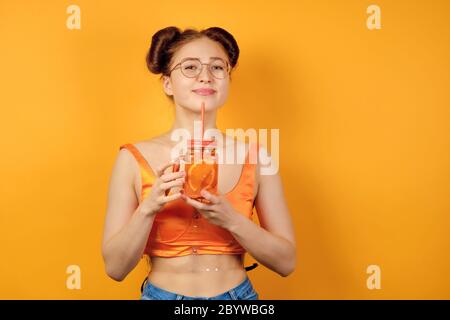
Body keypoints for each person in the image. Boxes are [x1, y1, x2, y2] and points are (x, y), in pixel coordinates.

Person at [101, 26, 296, 300]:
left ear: (227, 80)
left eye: (218, 68)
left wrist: (232, 220)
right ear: (168, 82)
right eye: (190, 67)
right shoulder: (132, 159)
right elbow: (116, 268)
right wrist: (148, 208)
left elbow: (286, 263)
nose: (206, 76)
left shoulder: (258, 158)